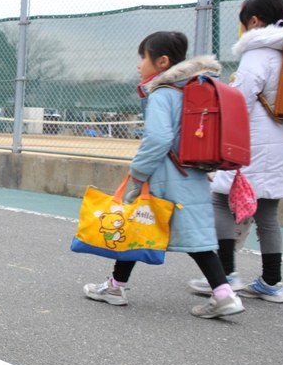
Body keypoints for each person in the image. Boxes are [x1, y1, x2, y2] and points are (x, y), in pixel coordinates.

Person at [84, 31, 244, 319]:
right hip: (193, 173)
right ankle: (223, 294)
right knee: (198, 240)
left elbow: (158, 138)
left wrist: (138, 171)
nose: (138, 65)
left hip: (164, 177)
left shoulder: (163, 93)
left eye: (142, 58)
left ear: (162, 62)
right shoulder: (195, 89)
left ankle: (115, 287)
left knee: (135, 227)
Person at [187, 0, 283, 304]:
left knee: (220, 199)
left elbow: (239, 101)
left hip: (258, 144)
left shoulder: (258, 53)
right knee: (268, 212)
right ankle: (272, 282)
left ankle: (226, 274)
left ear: (254, 21)